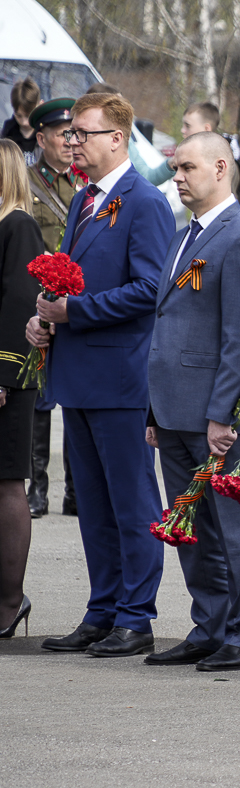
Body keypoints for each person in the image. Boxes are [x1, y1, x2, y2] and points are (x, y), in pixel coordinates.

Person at [28, 92, 176, 657]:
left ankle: (136, 616)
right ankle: (103, 609)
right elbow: (69, 281)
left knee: (131, 500)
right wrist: (45, 318)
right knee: (91, 500)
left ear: (117, 138)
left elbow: (149, 290)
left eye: (83, 134)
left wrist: (77, 313)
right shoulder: (86, 199)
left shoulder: (143, 202)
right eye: (70, 135)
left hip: (120, 374)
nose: (73, 143)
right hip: (80, 371)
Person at [143, 132, 240, 671]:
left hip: (217, 414)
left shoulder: (239, 237)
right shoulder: (184, 234)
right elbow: (169, 325)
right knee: (191, 527)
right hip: (174, 409)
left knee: (236, 532)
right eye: (175, 168)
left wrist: (223, 414)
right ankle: (209, 625)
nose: (177, 177)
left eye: (187, 168)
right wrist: (154, 411)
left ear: (220, 168)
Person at [24, 98, 82, 520]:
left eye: (73, 133)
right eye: (61, 133)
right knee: (41, 400)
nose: (68, 140)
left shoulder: (86, 183)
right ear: (41, 137)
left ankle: (76, 491)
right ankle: (38, 488)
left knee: (79, 396)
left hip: (80, 303)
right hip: (40, 301)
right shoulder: (26, 183)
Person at [0, 139, 42, 639]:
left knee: (8, 483)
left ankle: (10, 601)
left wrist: (3, 374)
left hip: (9, 377)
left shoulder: (19, 224)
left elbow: (18, 306)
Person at [178, 101, 240, 234]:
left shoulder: (224, 164)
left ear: (206, 128)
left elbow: (227, 213)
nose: (183, 130)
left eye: (188, 126)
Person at [84, 82, 176, 188]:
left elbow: (146, 177)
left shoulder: (125, 141)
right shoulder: (77, 141)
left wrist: (171, 164)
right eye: (117, 107)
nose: (123, 113)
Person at [2, 78, 41, 166]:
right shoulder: (6, 134)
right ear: (12, 104)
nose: (24, 122)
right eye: (19, 115)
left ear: (39, 105)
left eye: (28, 115)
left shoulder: (48, 134)